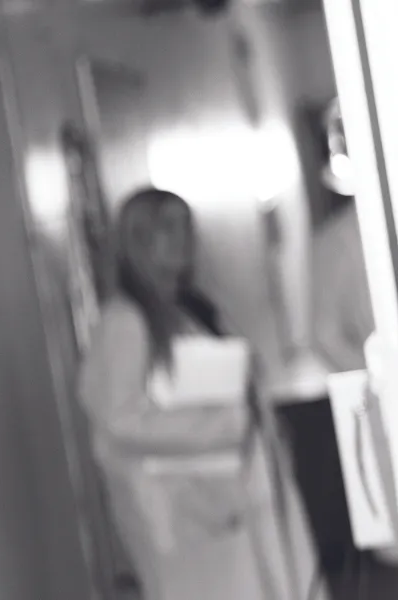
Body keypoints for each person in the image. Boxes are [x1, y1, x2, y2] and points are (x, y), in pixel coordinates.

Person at [78, 189, 321, 600]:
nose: (183, 238)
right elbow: (120, 422)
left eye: (186, 226)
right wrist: (227, 425)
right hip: (186, 512)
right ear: (138, 240)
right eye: (167, 228)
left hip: (233, 498)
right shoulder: (126, 322)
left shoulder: (196, 309)